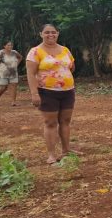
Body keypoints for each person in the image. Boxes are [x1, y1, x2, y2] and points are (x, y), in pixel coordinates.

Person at [25, 24, 78, 164]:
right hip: (47, 92)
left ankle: (66, 150)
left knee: (65, 121)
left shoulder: (65, 50)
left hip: (68, 91)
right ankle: (51, 154)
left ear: (58, 34)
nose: (50, 35)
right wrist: (34, 93)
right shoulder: (35, 52)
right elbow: (30, 74)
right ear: (41, 34)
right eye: (47, 32)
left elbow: (71, 67)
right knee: (50, 122)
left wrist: (62, 77)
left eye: (53, 32)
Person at [0, 41, 23, 106]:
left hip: (13, 72)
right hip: (2, 72)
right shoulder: (1, 53)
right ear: (4, 46)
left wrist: (17, 64)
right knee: (3, 87)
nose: (10, 46)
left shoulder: (14, 52)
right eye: (8, 45)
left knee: (14, 86)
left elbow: (20, 57)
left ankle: (13, 102)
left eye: (11, 45)